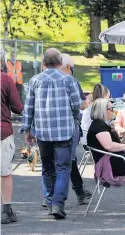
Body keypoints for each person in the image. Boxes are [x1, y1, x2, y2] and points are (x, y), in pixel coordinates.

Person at [20, 48, 81, 219]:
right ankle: (58, 204)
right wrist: (75, 117)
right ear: (61, 63)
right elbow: (77, 104)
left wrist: (27, 129)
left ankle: (49, 201)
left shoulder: (34, 80)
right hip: (64, 132)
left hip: (43, 133)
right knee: (63, 168)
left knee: (47, 168)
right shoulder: (69, 80)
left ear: (43, 63)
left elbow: (29, 108)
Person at [59, 53, 92, 204]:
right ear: (67, 67)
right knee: (69, 160)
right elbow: (81, 105)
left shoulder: (44, 80)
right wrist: (89, 99)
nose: (73, 70)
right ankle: (64, 195)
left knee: (56, 160)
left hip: (48, 127)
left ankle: (78, 190)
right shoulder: (71, 81)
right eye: (72, 68)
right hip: (70, 125)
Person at [1, 56, 24, 224]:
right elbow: (18, 107)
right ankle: (6, 211)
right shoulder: (6, 80)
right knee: (5, 172)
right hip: (2, 132)